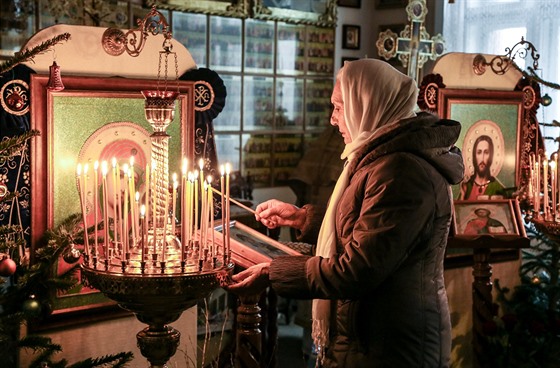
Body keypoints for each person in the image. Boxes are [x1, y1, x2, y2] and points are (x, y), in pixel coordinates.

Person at [226, 59, 464, 367]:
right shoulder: (379, 158)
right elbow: (366, 227)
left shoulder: (401, 171)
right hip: (370, 336)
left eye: (339, 107)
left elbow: (358, 269)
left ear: (366, 106)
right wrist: (301, 218)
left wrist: (274, 271)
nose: (332, 119)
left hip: (391, 345)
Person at [459, 134, 506, 200]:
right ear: (474, 156)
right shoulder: (466, 186)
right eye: (479, 152)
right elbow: (458, 209)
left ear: (491, 157)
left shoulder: (498, 188)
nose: (482, 158)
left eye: (486, 152)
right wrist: (463, 195)